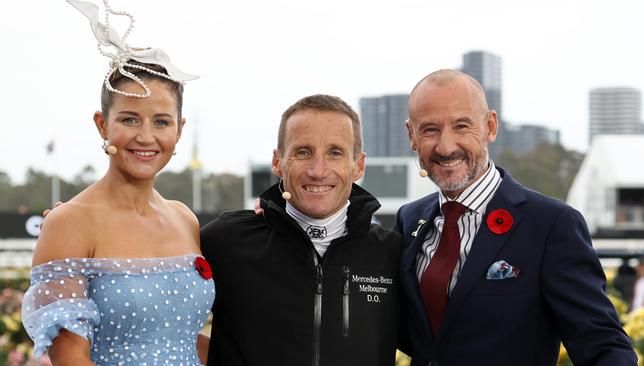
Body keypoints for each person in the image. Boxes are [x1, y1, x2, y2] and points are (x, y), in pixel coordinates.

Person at [395, 69, 637, 365]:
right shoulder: (409, 220)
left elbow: (602, 345)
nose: (446, 147)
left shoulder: (551, 225)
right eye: (430, 129)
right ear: (411, 135)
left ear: (490, 126)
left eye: (461, 126)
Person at [21, 1, 214, 365]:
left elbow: (183, 337)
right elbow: (71, 355)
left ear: (179, 129)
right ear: (102, 124)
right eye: (129, 119)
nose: (145, 137)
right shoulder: (70, 222)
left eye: (161, 122)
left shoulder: (184, 218)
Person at [200, 94, 405, 366]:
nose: (318, 171)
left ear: (358, 165)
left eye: (335, 153)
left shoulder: (392, 252)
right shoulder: (224, 241)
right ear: (277, 162)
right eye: (303, 152)